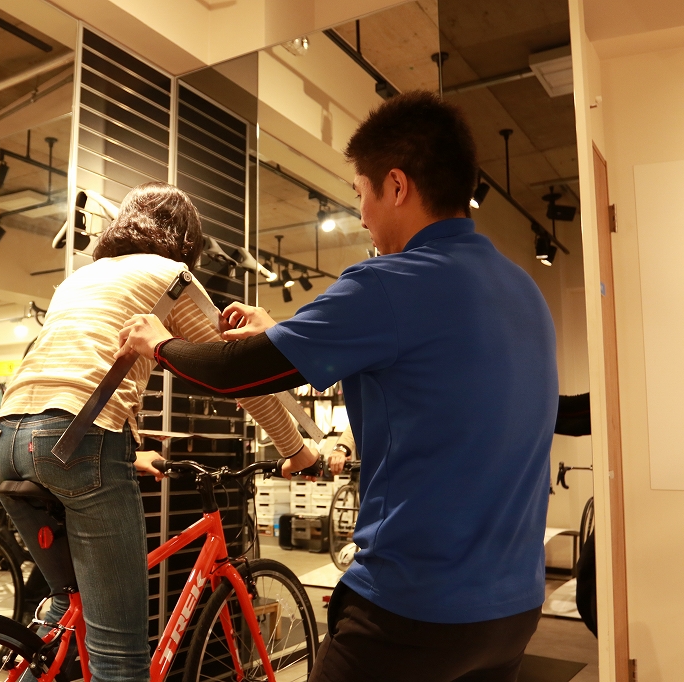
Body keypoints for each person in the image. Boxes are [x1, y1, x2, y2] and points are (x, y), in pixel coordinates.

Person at [118, 92, 558, 682]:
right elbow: (421, 375)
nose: (363, 215)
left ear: (396, 186)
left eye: (361, 193)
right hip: (513, 610)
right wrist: (284, 332)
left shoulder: (391, 283)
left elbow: (233, 373)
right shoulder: (522, 291)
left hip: (412, 609)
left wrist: (159, 343)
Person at [0, 181, 315, 682]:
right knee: (119, 656)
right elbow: (236, 375)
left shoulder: (82, 277)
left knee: (66, 601)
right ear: (186, 240)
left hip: (8, 441)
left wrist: (128, 452)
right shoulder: (172, 275)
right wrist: (296, 449)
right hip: (77, 445)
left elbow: (82, 369)